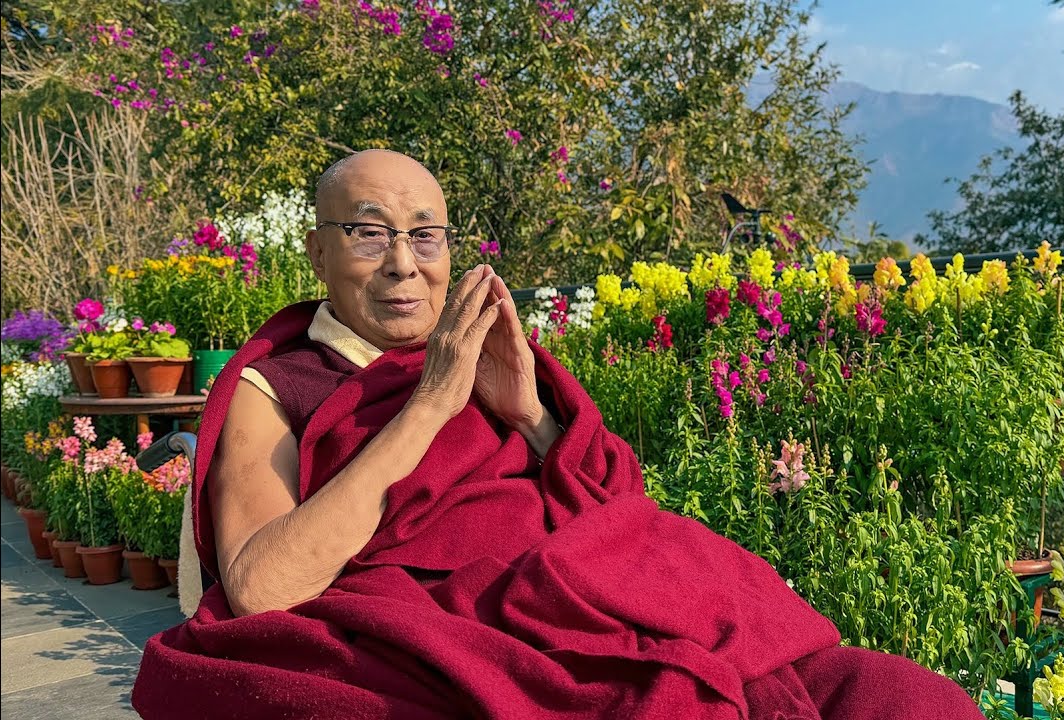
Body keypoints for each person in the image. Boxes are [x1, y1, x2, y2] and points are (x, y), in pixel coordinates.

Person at [132, 150, 985, 720]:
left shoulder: (479, 350)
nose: (403, 263)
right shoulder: (274, 383)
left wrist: (528, 415)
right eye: (368, 234)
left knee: (901, 696)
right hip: (475, 639)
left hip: (602, 605)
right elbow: (262, 588)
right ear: (320, 254)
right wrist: (428, 407)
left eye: (425, 235)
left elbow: (621, 513)